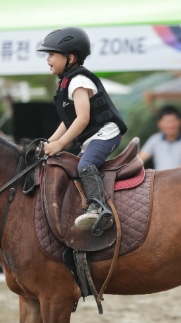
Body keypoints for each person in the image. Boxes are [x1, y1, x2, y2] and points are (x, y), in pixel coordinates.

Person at [37, 27, 128, 235]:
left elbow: (83, 118)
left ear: (69, 57)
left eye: (51, 54)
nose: (47, 59)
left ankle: (99, 209)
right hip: (92, 138)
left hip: (106, 134)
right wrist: (48, 141)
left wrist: (60, 144)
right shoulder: (65, 82)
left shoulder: (79, 81)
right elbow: (68, 121)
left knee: (85, 166)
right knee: (70, 167)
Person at [139, 105, 181, 170]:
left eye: (173, 121)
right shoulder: (154, 139)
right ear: (159, 123)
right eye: (167, 121)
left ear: (180, 122)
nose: (170, 125)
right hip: (159, 179)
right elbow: (139, 159)